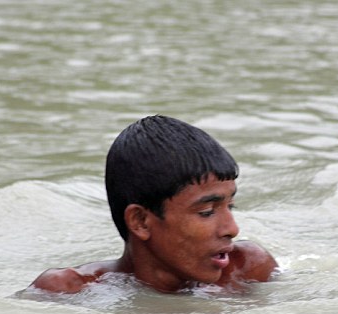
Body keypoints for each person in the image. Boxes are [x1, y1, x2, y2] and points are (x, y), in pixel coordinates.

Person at [30, 115, 277, 294]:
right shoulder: (70, 291)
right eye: (206, 212)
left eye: (230, 206)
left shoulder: (247, 269)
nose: (232, 229)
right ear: (140, 222)